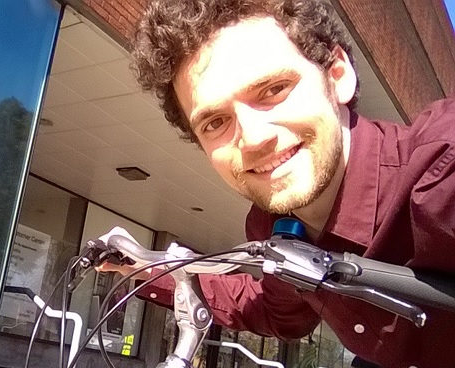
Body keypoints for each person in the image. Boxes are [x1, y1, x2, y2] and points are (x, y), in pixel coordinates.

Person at [96, 0, 455, 367]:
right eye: (215, 122)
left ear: (337, 74)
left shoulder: (441, 177)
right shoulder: (275, 226)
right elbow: (273, 310)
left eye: (273, 89)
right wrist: (151, 271)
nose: (252, 139)